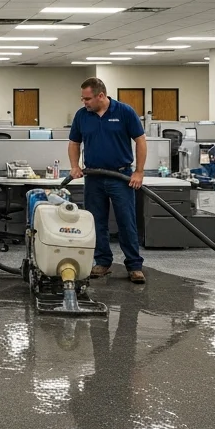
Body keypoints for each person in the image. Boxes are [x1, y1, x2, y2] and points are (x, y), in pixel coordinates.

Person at [68, 77, 148, 284]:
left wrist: (138, 171)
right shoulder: (82, 115)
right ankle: (102, 262)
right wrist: (75, 166)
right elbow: (74, 142)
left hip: (120, 177)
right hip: (93, 177)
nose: (84, 102)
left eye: (87, 99)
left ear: (101, 96)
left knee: (126, 221)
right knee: (96, 222)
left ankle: (134, 266)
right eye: (83, 98)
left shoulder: (124, 112)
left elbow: (140, 141)